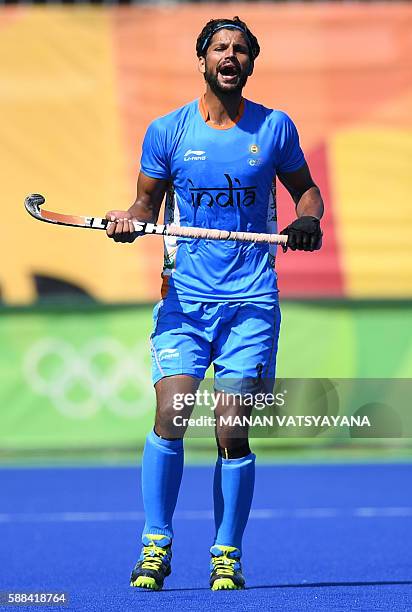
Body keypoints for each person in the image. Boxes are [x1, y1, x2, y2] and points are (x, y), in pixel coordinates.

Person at [105, 16, 323, 591]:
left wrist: (306, 218)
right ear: (201, 59)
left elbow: (306, 190)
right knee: (172, 416)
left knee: (231, 433)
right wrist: (129, 224)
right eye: (219, 48)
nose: (230, 56)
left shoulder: (275, 128)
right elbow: (144, 207)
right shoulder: (167, 132)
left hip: (250, 303)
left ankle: (226, 552)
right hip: (185, 302)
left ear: (252, 63)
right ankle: (156, 544)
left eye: (240, 50)